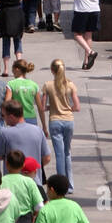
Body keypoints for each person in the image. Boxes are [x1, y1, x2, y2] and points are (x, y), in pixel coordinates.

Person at [40, 59, 81, 191]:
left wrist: (50, 107)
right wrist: (68, 108)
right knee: (67, 152)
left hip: (55, 120)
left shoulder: (48, 85)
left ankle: (60, 184)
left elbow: (42, 106)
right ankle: (70, 184)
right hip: (68, 120)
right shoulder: (70, 85)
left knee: (59, 154)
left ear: (52, 70)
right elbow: (77, 107)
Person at [0, 99, 51, 180]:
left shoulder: (5, 133)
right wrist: (31, 168)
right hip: (34, 180)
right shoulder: (38, 130)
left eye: (3, 115)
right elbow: (47, 158)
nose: (3, 118)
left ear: (11, 116)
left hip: (13, 183)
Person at [5, 58, 47, 134]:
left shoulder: (11, 84)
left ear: (17, 69)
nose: (12, 72)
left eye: (13, 70)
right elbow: (40, 108)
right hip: (31, 118)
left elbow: (7, 103)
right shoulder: (34, 85)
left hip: (17, 118)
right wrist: (44, 126)